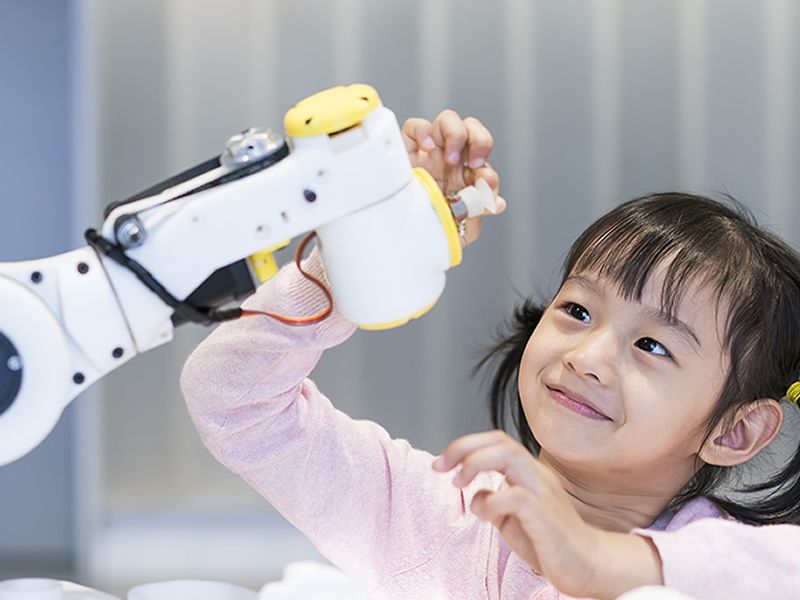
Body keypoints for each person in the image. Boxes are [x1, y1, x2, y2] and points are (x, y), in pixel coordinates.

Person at [180, 111, 800, 599]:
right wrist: (367, 254)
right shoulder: (435, 517)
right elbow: (234, 401)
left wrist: (601, 563)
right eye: (578, 311)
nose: (587, 356)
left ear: (736, 429)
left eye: (651, 346)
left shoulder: (737, 567)